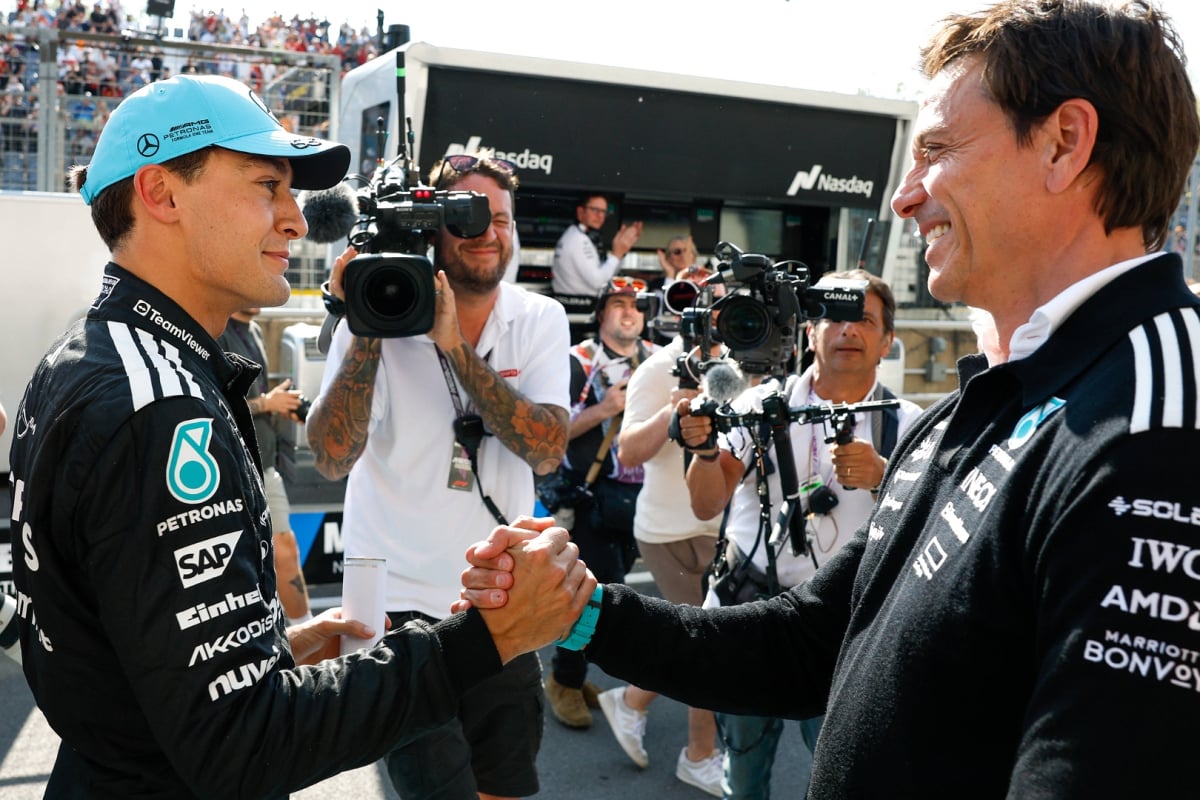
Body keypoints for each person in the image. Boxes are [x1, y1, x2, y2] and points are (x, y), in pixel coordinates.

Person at [460, 1, 1200, 796]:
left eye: (937, 151)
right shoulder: (984, 402)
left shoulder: (1158, 426)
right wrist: (580, 610)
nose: (904, 198)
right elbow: (808, 643)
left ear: (1064, 143)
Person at [7, 73, 593, 798]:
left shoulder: (90, 360)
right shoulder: (160, 405)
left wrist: (268, 649)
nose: (296, 221)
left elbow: (133, 658)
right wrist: (485, 641)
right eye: (267, 187)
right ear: (161, 194)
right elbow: (245, 743)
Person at [305, 152, 572, 800]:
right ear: (432, 230)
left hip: (499, 600)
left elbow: (545, 450)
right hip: (394, 613)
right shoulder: (371, 313)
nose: (488, 232)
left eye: (500, 218)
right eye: (468, 217)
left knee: (504, 787)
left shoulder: (539, 318)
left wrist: (454, 346)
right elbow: (332, 456)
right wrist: (371, 317)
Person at [686, 269, 922, 798]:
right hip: (752, 614)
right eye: (833, 317)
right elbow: (706, 502)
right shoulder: (757, 405)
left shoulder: (908, 422)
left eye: (864, 319)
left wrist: (884, 476)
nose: (848, 330)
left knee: (842, 775)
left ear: (887, 340)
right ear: (810, 331)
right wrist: (703, 451)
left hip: (844, 627)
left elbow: (931, 528)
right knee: (743, 775)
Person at [598, 287, 730, 796]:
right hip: (668, 533)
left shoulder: (744, 362)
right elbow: (628, 452)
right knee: (705, 645)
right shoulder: (657, 369)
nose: (716, 316)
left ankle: (631, 701)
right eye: (707, 303)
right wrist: (671, 413)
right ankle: (699, 755)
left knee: (698, 639)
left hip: (725, 529)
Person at [543, 276, 658, 729]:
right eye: (618, 304)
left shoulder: (658, 359)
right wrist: (604, 409)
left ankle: (574, 673)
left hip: (641, 499)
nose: (629, 312)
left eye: (636, 305)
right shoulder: (577, 361)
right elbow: (549, 435)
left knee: (606, 593)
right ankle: (565, 680)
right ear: (601, 313)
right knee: (591, 595)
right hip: (590, 498)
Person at [216, 307, 312, 624]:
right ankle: (308, 636)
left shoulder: (254, 330)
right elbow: (214, 402)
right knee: (283, 548)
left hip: (265, 462)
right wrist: (267, 403)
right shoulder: (218, 330)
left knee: (279, 549)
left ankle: (299, 631)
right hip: (237, 466)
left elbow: (248, 400)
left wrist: (278, 405)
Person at [552, 192, 643, 297]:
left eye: (604, 211)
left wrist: (622, 251)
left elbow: (607, 274)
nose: (600, 216)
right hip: (578, 304)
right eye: (595, 210)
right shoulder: (578, 239)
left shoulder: (580, 235)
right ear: (580, 212)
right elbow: (599, 282)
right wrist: (617, 254)